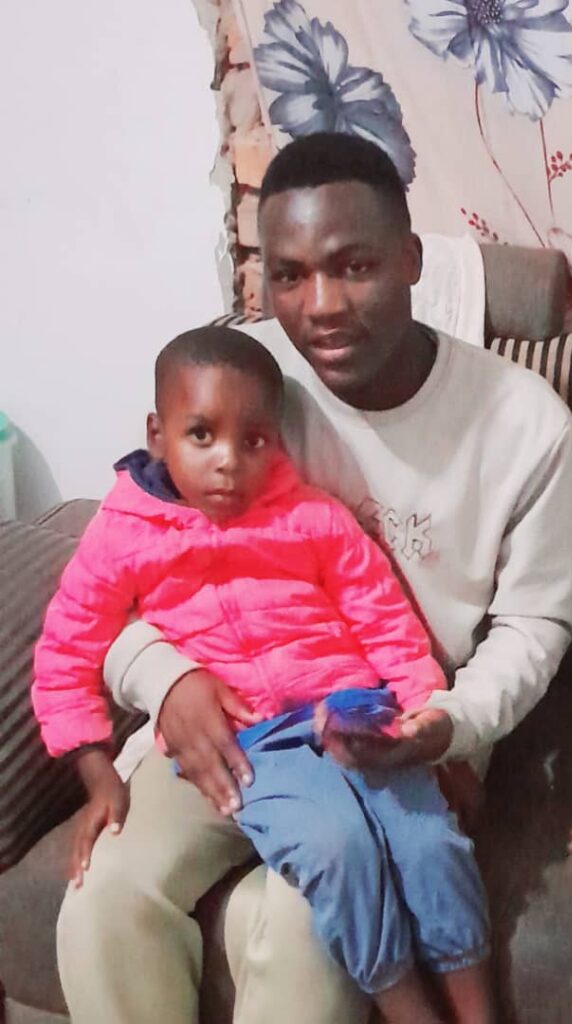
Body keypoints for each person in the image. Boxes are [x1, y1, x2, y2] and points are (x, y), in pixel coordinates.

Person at [56, 132, 572, 1024]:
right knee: (103, 897)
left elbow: (536, 622)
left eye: (354, 266)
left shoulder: (526, 424)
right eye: (290, 276)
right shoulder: (239, 383)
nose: (322, 306)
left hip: (389, 727)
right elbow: (121, 561)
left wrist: (449, 726)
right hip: (223, 721)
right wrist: (164, 676)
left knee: (308, 924)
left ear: (412, 260)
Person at [34, 325, 494, 1023]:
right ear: (157, 434)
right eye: (201, 435)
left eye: (253, 441)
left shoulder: (312, 517)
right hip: (254, 741)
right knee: (338, 850)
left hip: (353, 711)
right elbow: (65, 652)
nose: (228, 462)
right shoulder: (122, 535)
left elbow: (386, 623)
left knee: (431, 844)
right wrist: (96, 772)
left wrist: (432, 722)